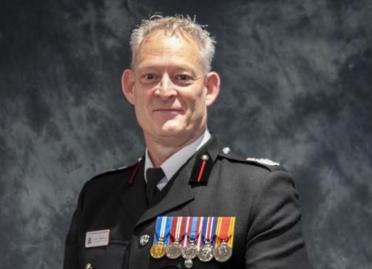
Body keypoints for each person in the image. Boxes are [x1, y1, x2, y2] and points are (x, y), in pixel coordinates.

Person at [64, 15, 310, 269]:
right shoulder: (97, 197)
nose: (165, 91)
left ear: (210, 88)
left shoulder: (257, 191)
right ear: (130, 87)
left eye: (182, 77)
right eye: (150, 77)